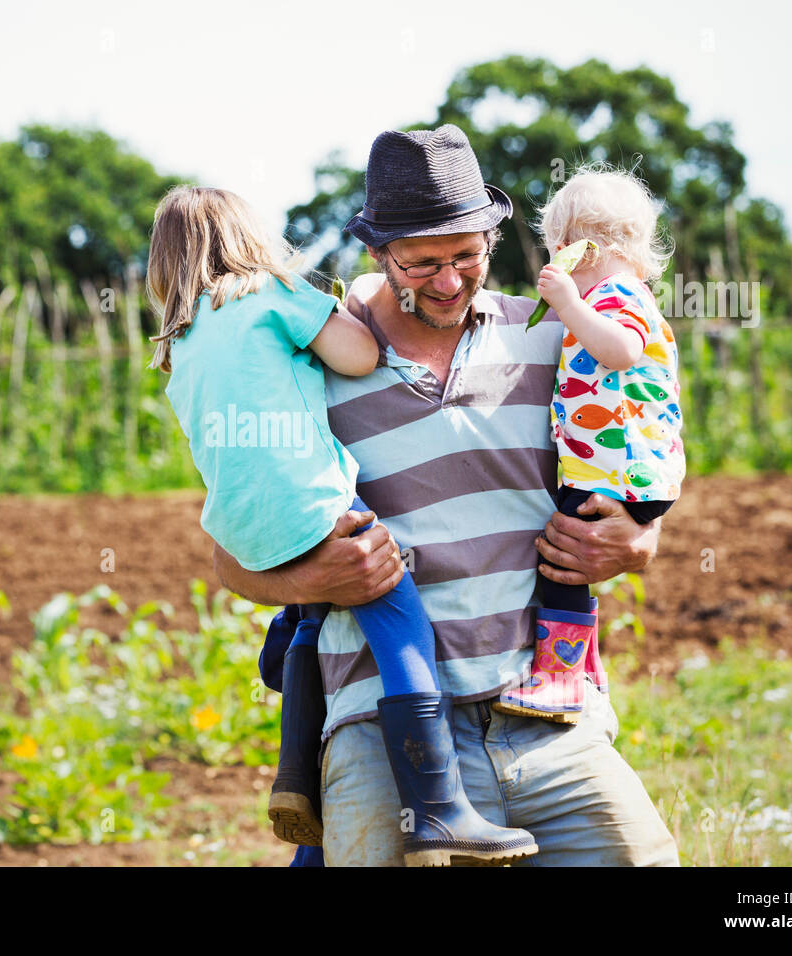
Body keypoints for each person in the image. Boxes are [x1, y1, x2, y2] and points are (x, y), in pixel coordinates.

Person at [215, 125, 680, 866]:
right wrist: (313, 579)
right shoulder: (318, 370)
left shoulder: (552, 338)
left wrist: (640, 540)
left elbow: (637, 445)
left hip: (547, 714)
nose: (447, 280)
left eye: (467, 255)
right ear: (376, 254)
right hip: (382, 727)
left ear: (494, 238)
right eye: (420, 262)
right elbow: (228, 558)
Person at [146, 184, 538, 866]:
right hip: (314, 505)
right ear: (249, 240)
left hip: (245, 524)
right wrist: (335, 311)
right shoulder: (272, 294)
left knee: (308, 614)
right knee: (399, 623)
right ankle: (440, 807)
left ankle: (297, 776)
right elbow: (357, 356)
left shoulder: (179, 341)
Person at [494, 165, 685, 723]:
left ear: (584, 248)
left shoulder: (620, 297)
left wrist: (571, 305)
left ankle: (560, 679)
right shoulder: (617, 295)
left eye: (558, 246)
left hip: (618, 473)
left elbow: (621, 352)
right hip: (624, 470)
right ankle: (587, 666)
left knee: (562, 567)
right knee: (570, 569)